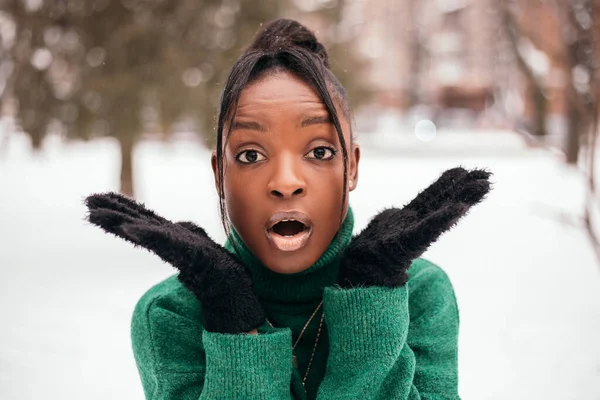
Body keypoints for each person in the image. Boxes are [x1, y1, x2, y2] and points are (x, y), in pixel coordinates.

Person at [84, 19, 491, 400]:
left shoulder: (418, 295)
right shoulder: (173, 314)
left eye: (319, 151)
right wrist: (234, 323)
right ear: (219, 175)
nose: (285, 182)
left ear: (352, 167)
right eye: (249, 155)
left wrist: (371, 302)